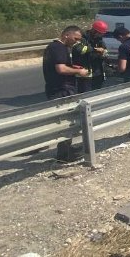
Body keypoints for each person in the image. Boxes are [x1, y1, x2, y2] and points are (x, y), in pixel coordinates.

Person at [43, 25, 89, 162]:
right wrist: (79, 72)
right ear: (66, 35)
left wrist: (73, 67)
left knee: (67, 121)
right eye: (75, 38)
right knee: (66, 121)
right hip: (61, 89)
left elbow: (61, 65)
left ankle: (66, 151)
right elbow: (61, 69)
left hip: (59, 87)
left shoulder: (56, 47)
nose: (76, 42)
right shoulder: (59, 48)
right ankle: (63, 155)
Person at [72, 20, 108, 93]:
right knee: (85, 94)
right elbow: (79, 50)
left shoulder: (99, 40)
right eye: (100, 33)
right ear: (94, 31)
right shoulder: (82, 38)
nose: (101, 35)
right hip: (86, 72)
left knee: (96, 94)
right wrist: (95, 49)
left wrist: (103, 54)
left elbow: (104, 50)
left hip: (98, 72)